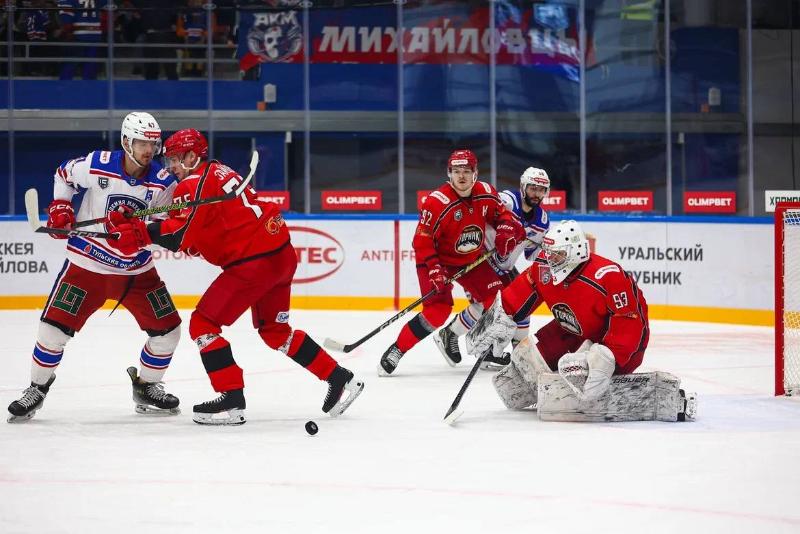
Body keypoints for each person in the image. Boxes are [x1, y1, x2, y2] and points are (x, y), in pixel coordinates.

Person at [108, 129, 364, 425]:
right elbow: (200, 232)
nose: (172, 166)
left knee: (203, 323)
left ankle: (231, 399)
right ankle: (340, 377)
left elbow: (178, 235)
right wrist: (141, 223)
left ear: (193, 156)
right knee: (276, 332)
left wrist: (137, 232)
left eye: (176, 159)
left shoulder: (192, 183)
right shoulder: (218, 171)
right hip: (280, 255)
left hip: (252, 263)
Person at [7, 112, 183, 423]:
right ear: (126, 141)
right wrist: (61, 205)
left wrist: (142, 237)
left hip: (136, 273)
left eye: (153, 144)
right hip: (87, 266)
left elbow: (165, 227)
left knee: (168, 332)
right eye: (142, 143)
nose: (148, 151)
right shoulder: (97, 164)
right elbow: (64, 174)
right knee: (51, 331)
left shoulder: (163, 182)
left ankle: (147, 385)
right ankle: (37, 388)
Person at [466, 220, 695, 421]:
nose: (551, 260)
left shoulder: (608, 276)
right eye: (549, 252)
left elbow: (631, 319)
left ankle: (652, 398)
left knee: (576, 373)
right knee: (516, 376)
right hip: (573, 331)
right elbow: (515, 298)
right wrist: (494, 322)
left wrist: (608, 357)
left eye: (558, 254)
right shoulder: (544, 269)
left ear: (575, 251)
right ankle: (568, 385)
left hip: (616, 344)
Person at [378, 149, 525, 376]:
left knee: (497, 299)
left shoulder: (486, 192)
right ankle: (398, 349)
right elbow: (422, 241)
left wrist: (505, 230)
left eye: (467, 171)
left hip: (470, 260)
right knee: (438, 311)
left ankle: (486, 350)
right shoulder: (437, 202)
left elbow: (502, 215)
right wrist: (435, 270)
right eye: (457, 172)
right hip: (435, 261)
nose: (462, 177)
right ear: (449, 173)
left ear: (475, 173)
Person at [435, 166, 552, 370]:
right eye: (533, 188)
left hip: (504, 268)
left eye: (541, 190)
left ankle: (519, 353)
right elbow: (476, 215)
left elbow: (531, 254)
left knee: (522, 306)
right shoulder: (506, 200)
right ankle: (466, 341)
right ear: (523, 187)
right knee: (487, 305)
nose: (537, 194)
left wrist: (549, 250)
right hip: (479, 260)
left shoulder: (542, 221)